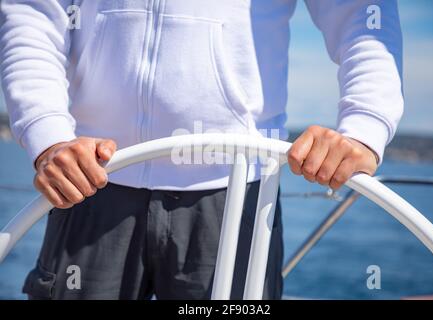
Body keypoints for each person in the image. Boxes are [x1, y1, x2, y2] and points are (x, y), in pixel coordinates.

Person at [0, 0, 403, 299]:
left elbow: (363, 13)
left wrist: (364, 128)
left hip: (237, 192)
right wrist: (49, 137)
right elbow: (32, 14)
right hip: (90, 178)